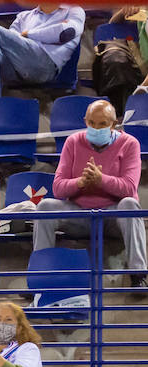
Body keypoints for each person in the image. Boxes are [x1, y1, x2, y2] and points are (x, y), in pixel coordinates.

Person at [33, 98, 146, 285]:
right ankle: (40, 276)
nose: (96, 128)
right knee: (45, 206)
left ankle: (139, 275)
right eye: (92, 123)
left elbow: (129, 188)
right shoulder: (73, 142)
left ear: (114, 124)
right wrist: (80, 182)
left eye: (103, 124)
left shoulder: (130, 144)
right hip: (80, 212)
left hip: (113, 215)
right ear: (85, 121)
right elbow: (58, 188)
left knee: (130, 204)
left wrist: (101, 180)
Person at [93, 7, 148, 116]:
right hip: (141, 66)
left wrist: (141, 89)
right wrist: (124, 13)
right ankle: (119, 114)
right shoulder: (143, 12)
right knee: (115, 60)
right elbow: (111, 28)